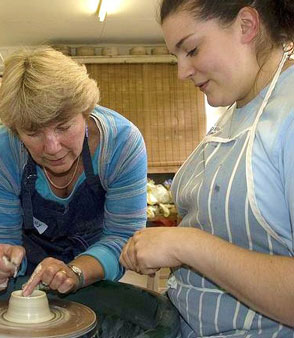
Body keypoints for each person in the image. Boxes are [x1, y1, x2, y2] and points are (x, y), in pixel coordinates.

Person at [120, 0, 294, 336]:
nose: (182, 71)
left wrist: (185, 244)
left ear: (246, 25)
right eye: (177, 57)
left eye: (192, 49)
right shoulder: (233, 114)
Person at [0, 47, 147, 296]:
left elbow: (123, 237)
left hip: (95, 270)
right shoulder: (3, 152)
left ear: (85, 111)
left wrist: (76, 272)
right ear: (15, 130)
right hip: (28, 280)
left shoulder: (121, 144)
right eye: (33, 133)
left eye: (64, 126)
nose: (52, 148)